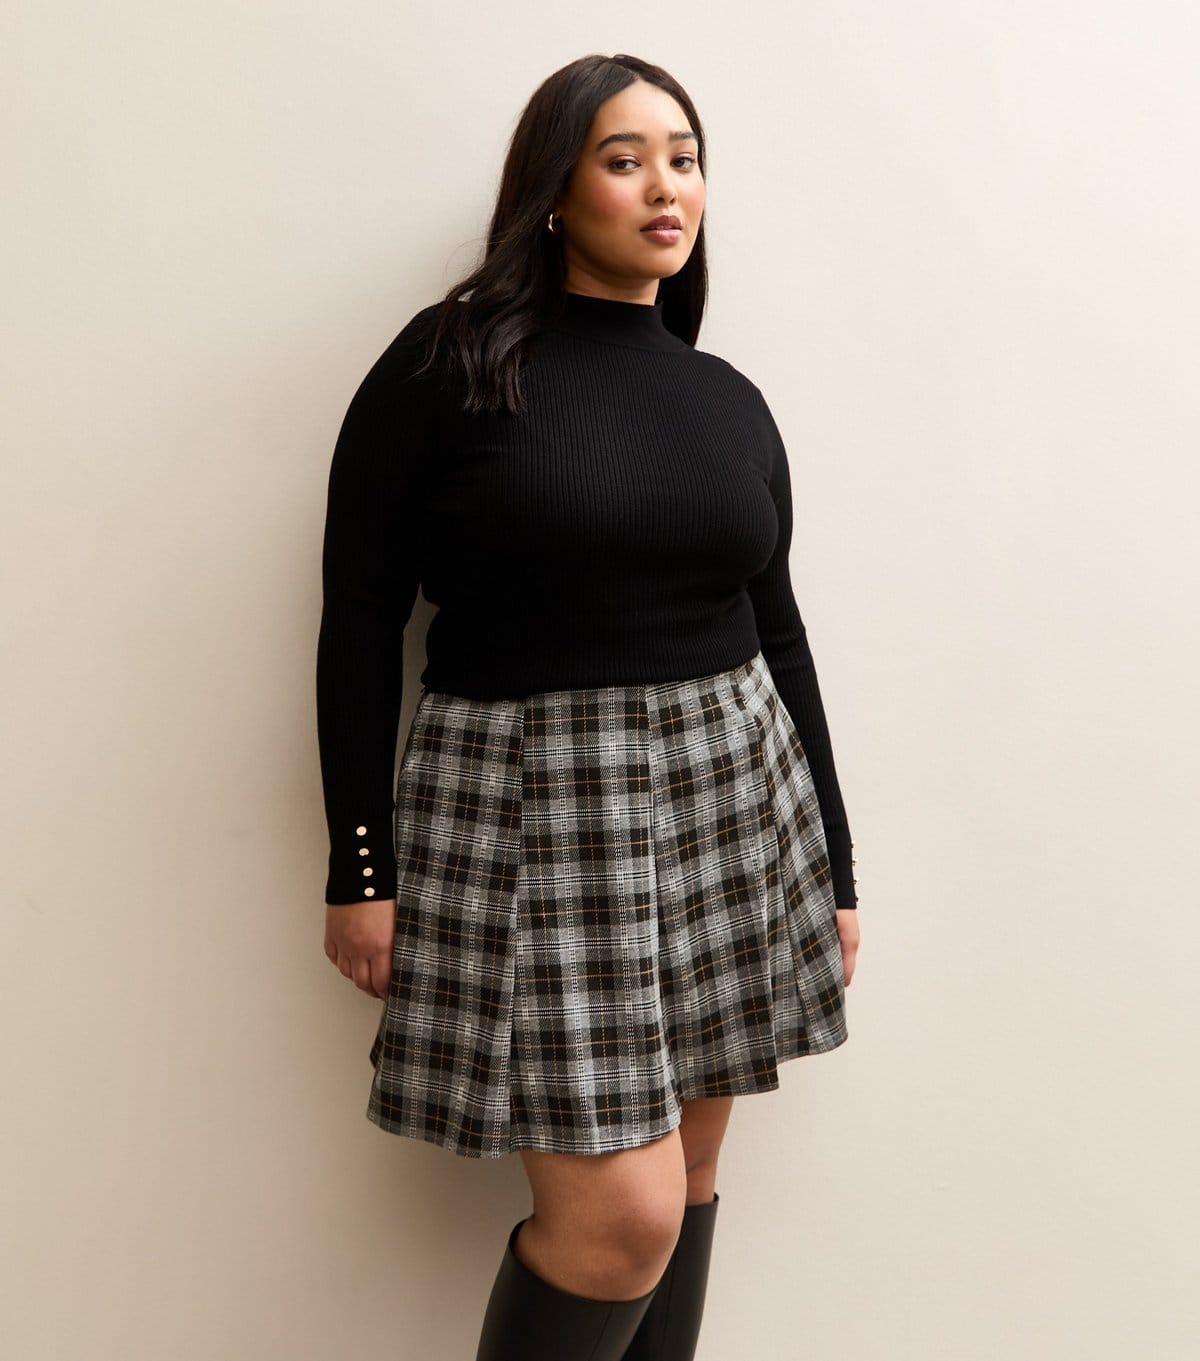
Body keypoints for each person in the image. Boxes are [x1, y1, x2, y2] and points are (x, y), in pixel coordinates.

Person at [316, 52, 862, 1361]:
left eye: (685, 158)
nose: (667, 186)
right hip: (540, 813)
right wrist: (360, 865)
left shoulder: (723, 398)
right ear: (555, 191)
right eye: (626, 160)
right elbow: (359, 617)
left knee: (689, 1180)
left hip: (732, 807)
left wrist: (836, 869)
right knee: (621, 1219)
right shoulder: (449, 363)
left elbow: (780, 634)